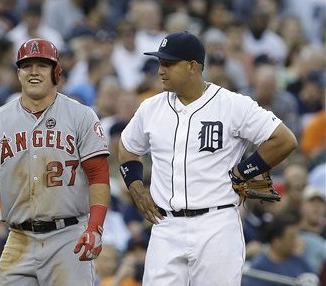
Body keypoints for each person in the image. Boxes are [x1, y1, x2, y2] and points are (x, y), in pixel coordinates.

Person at [117, 31, 298, 286]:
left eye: (168, 63)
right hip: (166, 225)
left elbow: (284, 139)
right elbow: (126, 148)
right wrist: (136, 188)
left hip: (217, 223)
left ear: (192, 66)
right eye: (160, 63)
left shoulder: (232, 104)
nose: (161, 70)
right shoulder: (151, 107)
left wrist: (243, 172)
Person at [0, 38, 111, 286]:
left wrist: (95, 228)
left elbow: (99, 174)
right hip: (19, 237)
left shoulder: (81, 115)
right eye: (27, 66)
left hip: (67, 236)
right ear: (18, 73)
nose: (33, 72)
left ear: (56, 72)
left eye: (42, 65)